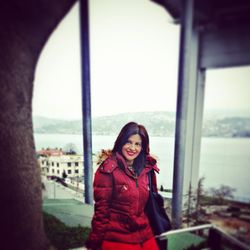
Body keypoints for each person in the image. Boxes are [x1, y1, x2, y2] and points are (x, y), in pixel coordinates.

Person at [86, 122, 160, 250]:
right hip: (118, 239)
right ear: (121, 142)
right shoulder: (108, 169)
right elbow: (101, 212)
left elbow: (150, 204)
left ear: (143, 147)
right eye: (129, 142)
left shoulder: (147, 169)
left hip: (145, 236)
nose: (132, 148)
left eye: (138, 144)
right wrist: (95, 242)